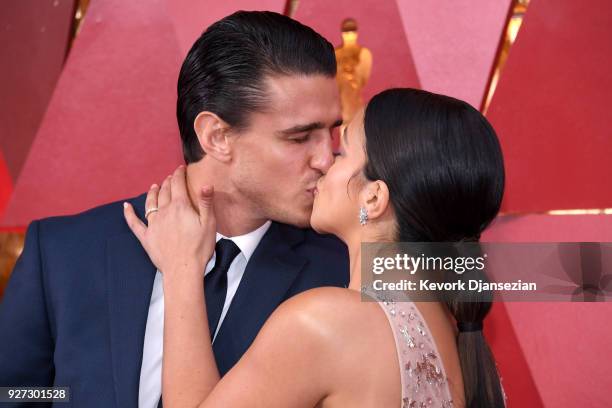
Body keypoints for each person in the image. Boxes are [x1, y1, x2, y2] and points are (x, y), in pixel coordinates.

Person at [0, 11, 349, 407]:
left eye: (332, 132)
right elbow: (11, 392)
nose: (326, 158)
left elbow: (429, 285)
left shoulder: (351, 262)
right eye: (300, 137)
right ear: (216, 136)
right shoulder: (63, 250)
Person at [125, 88, 508, 407]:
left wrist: (182, 270)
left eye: (342, 154)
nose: (324, 163)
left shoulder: (326, 322)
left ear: (374, 198)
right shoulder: (456, 336)